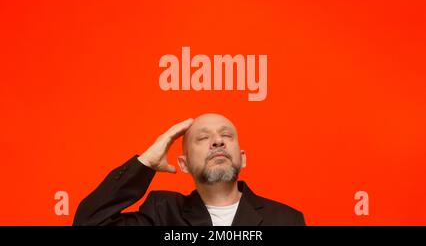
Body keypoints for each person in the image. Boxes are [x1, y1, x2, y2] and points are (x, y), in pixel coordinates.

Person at [73, 113, 306, 226]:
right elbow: (88, 223)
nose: (217, 142)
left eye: (226, 136)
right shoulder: (161, 213)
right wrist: (145, 162)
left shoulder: (286, 220)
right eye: (203, 138)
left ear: (242, 159)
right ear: (183, 164)